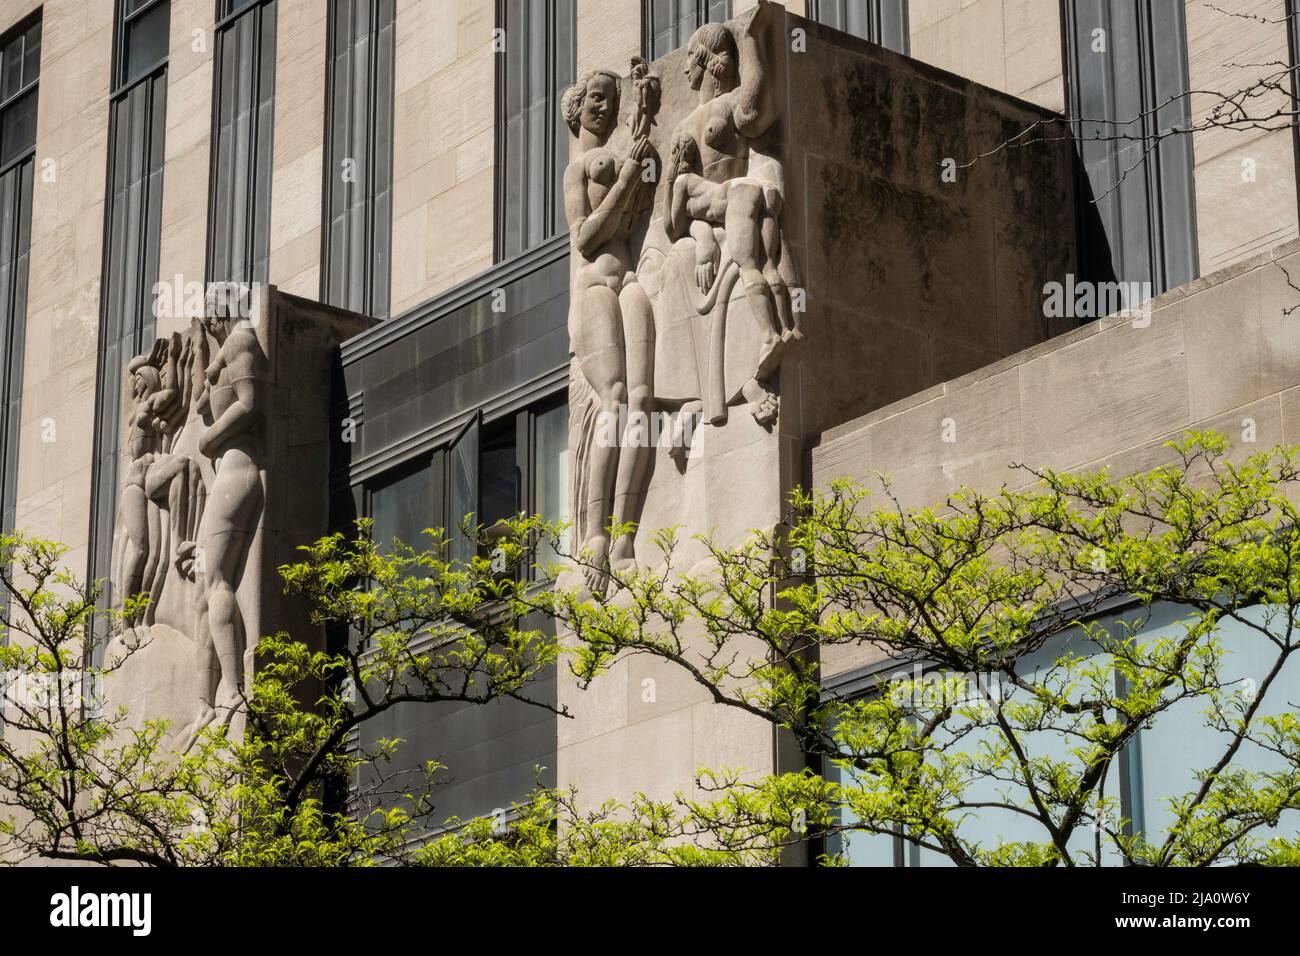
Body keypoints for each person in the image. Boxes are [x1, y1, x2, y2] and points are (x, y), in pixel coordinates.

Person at [562, 69, 658, 592]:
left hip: (632, 283)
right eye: (596, 98)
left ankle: (625, 536)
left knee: (643, 400)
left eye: (611, 98)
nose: (605, 106)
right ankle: (594, 535)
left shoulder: (622, 151)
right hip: (595, 286)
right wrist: (624, 181)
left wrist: (644, 121)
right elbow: (585, 235)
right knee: (615, 398)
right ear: (577, 109)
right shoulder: (577, 168)